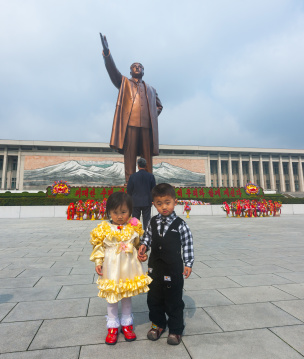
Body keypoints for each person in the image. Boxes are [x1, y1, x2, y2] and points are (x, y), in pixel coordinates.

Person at [89, 191, 152, 345]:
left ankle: (127, 324)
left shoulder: (133, 228)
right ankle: (112, 326)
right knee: (112, 297)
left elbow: (138, 247)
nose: (119, 216)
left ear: (130, 212)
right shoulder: (104, 228)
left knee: (126, 296)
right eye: (115, 212)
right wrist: (98, 262)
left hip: (128, 267)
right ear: (109, 212)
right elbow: (99, 247)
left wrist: (142, 255)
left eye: (123, 212)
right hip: (111, 268)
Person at [100, 33, 163, 183]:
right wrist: (107, 54)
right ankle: (129, 184)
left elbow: (159, 106)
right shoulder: (124, 83)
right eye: (134, 66)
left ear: (143, 70)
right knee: (130, 156)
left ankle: (148, 184)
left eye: (140, 66)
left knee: (147, 157)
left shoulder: (151, 89)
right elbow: (113, 72)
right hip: (130, 125)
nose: (137, 67)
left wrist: (152, 114)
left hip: (147, 127)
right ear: (130, 71)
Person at [137, 183, 194, 346]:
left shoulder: (180, 224)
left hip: (173, 268)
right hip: (154, 267)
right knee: (154, 297)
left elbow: (187, 243)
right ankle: (158, 324)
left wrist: (188, 263)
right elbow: (147, 237)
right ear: (153, 204)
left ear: (175, 202)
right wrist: (144, 246)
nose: (164, 207)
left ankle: (175, 329)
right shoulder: (152, 222)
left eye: (167, 202)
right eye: (159, 203)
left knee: (174, 299)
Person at [127, 157, 156, 230]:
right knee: (147, 221)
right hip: (147, 201)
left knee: (135, 221)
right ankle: (147, 237)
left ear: (138, 165)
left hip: (135, 202)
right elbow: (154, 189)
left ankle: (136, 237)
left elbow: (129, 190)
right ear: (145, 165)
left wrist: (131, 199)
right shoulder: (151, 176)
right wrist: (152, 200)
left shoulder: (133, 176)